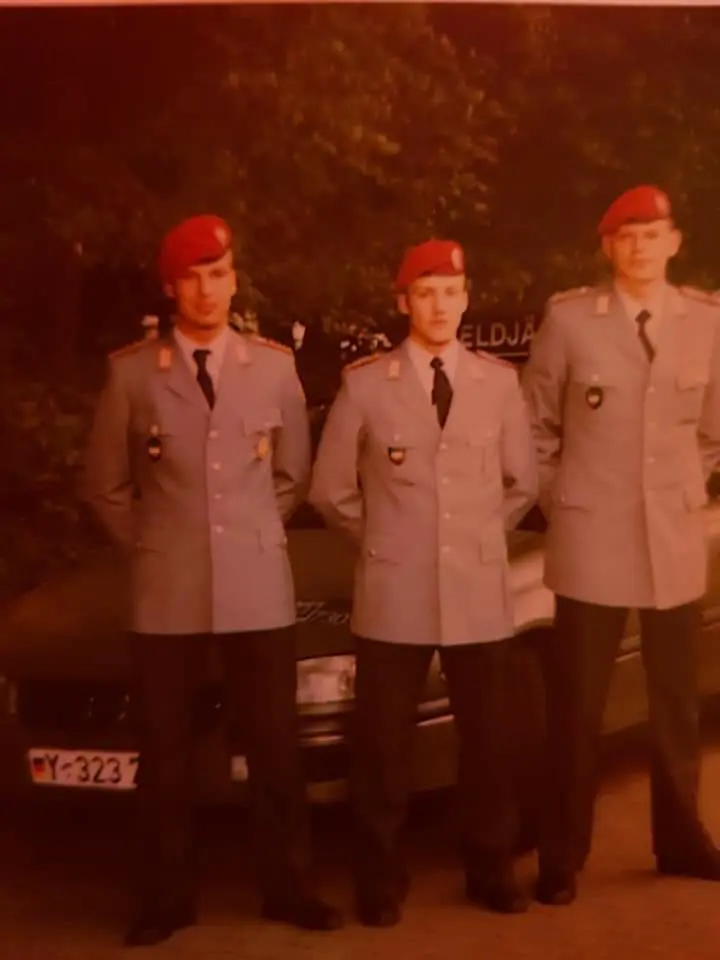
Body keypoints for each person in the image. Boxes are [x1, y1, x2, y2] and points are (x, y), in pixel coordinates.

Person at [82, 214, 342, 947]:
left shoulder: (274, 368)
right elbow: (105, 486)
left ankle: (289, 887)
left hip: (256, 584)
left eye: (219, 274)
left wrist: (246, 535)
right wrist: (157, 546)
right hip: (167, 590)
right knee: (164, 753)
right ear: (171, 289)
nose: (207, 289)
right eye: (192, 278)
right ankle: (166, 899)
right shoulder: (133, 373)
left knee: (274, 745)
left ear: (234, 282)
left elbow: (291, 477)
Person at [309, 239, 538, 926]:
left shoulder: (499, 383)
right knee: (382, 747)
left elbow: (522, 482)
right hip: (394, 590)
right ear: (403, 301)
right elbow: (329, 491)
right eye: (425, 293)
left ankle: (490, 868)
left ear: (466, 299)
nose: (439, 306)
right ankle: (379, 879)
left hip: (476, 588)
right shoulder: (365, 385)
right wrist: (386, 543)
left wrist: (476, 539)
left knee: (489, 742)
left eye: (450, 293)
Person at [521, 185, 720, 907]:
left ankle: (681, 839)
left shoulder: (706, 321)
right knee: (578, 707)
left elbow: (711, 431)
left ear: (674, 243)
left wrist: (678, 491)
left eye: (652, 235)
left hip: (671, 537)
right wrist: (566, 501)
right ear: (608, 248)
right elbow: (534, 427)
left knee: (676, 703)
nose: (640, 249)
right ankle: (561, 854)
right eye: (626, 238)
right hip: (591, 536)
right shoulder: (571, 321)